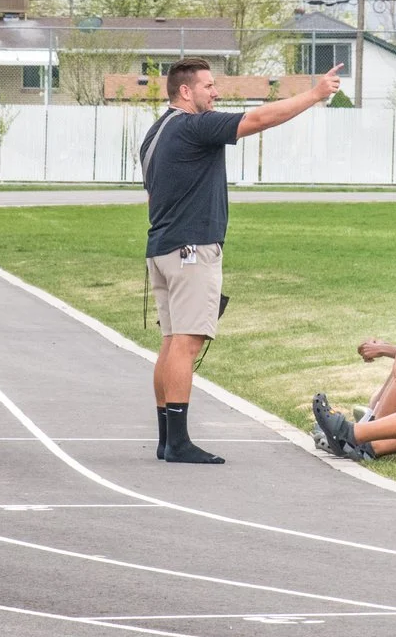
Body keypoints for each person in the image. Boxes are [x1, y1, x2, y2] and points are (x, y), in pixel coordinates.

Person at [140, 56, 341, 465]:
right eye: (209, 86)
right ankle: (177, 443)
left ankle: (167, 438)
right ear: (185, 91)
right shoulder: (195, 126)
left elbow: (152, 194)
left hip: (163, 248)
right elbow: (260, 120)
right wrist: (314, 95)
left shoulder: (154, 133)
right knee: (187, 342)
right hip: (192, 249)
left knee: (172, 340)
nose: (215, 93)